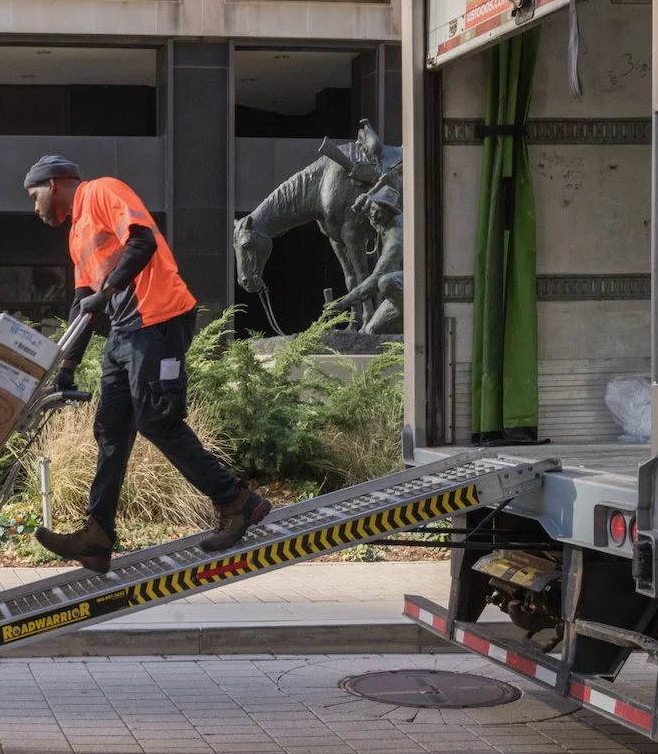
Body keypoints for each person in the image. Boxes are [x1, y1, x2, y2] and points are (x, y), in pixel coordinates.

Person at [23, 155, 272, 573]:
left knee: (158, 419)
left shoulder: (102, 191)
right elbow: (82, 305)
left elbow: (142, 241)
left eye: (34, 196)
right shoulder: (76, 233)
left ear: (53, 184)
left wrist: (109, 290)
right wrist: (66, 368)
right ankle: (98, 536)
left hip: (159, 321)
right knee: (110, 429)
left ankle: (236, 500)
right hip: (124, 332)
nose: (34, 207)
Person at [325, 181, 404, 335]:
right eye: (373, 209)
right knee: (371, 330)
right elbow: (373, 218)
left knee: (386, 281)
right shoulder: (384, 220)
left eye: (378, 211)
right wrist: (365, 205)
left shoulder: (397, 234)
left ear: (391, 212)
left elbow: (376, 278)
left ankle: (413, 322)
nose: (374, 215)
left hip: (416, 288)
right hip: (400, 293)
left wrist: (343, 303)